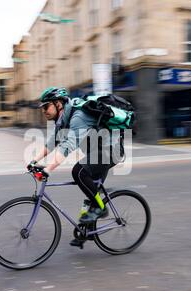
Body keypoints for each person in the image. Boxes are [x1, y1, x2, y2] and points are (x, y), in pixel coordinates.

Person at [27, 87, 123, 247]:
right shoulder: (63, 120)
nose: (43, 111)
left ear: (58, 104)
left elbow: (68, 145)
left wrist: (48, 169)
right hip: (96, 152)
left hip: (110, 151)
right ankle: (87, 231)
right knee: (91, 192)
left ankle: (101, 208)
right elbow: (53, 142)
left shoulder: (77, 116)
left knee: (79, 172)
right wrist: (33, 161)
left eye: (46, 106)